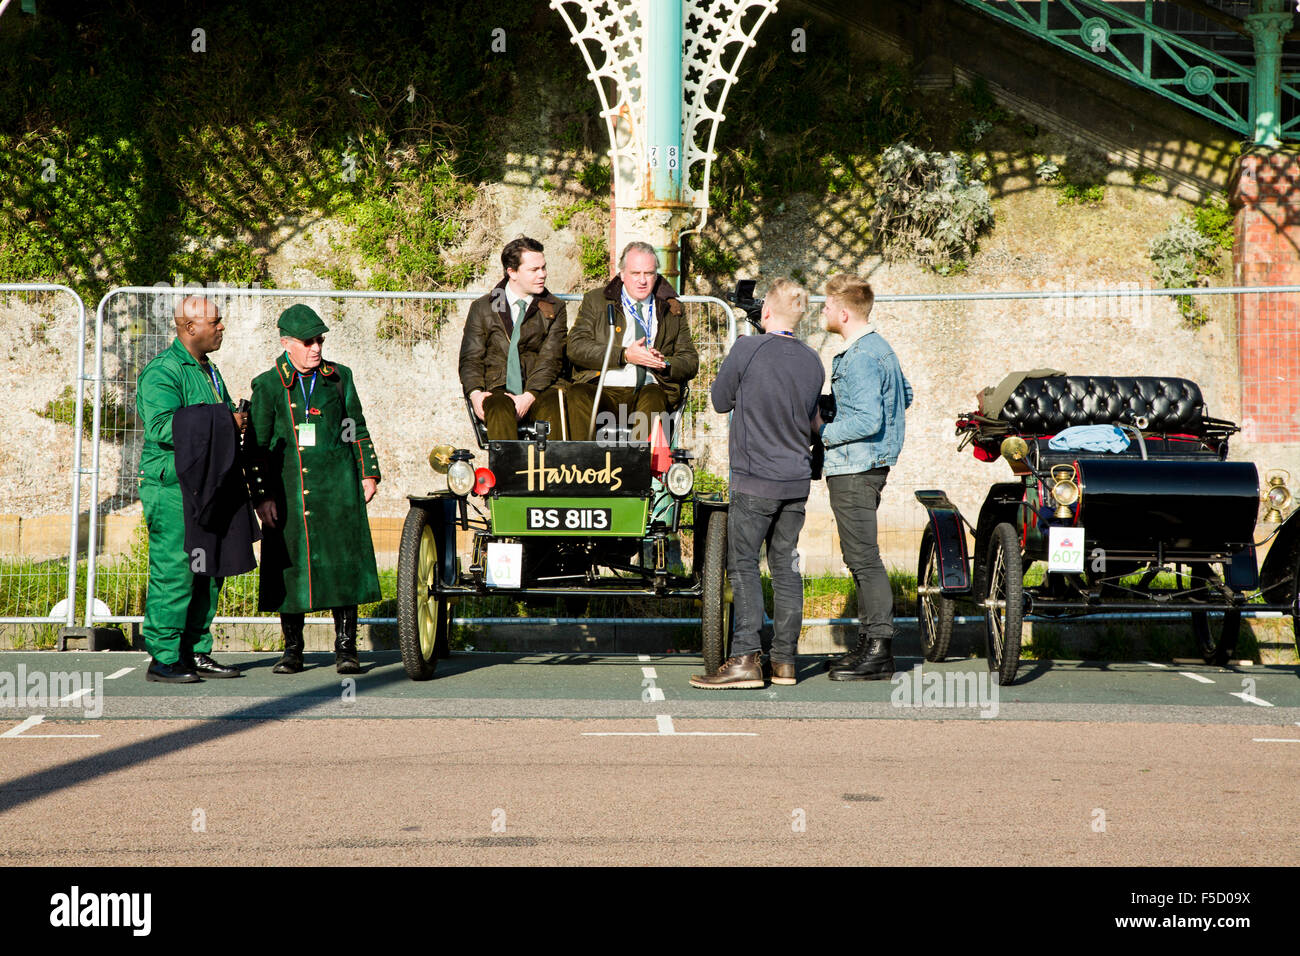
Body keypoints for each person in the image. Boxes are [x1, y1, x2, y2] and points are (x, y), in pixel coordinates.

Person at [691, 279, 824, 689]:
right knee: (786, 566)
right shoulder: (813, 360)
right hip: (796, 479)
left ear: (765, 311)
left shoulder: (748, 349)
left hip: (754, 480)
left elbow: (719, 400)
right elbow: (815, 420)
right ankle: (784, 661)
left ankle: (746, 656)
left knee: (744, 565)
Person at [245, 304, 382, 674]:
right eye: (308, 342)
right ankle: (292, 650)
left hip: (338, 488)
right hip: (288, 493)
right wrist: (263, 498)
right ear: (286, 342)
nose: (316, 348)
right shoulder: (269, 384)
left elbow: (355, 425)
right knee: (288, 568)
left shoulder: (339, 378)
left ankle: (346, 649)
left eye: (320, 340)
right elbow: (255, 448)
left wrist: (367, 473)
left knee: (344, 567)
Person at [136, 295, 246, 683]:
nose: (221, 328)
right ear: (190, 328)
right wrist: (224, 421)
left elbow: (221, 417)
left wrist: (236, 421)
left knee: (208, 569)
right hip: (173, 487)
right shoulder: (162, 372)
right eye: (215, 322)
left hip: (207, 486)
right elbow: (162, 427)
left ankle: (196, 651)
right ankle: (164, 657)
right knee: (175, 570)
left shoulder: (209, 370)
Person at [814, 274, 913, 681]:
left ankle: (878, 651)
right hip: (866, 465)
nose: (821, 312)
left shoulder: (858, 356)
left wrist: (823, 431)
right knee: (860, 558)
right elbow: (905, 394)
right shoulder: (879, 349)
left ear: (842, 312)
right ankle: (869, 644)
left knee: (863, 559)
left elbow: (869, 418)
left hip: (855, 468)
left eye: (824, 307)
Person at [566, 241, 698, 442]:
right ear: (622, 274)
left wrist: (664, 363)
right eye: (636, 273)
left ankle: (639, 468)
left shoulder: (671, 308)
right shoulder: (597, 301)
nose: (642, 280)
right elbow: (575, 347)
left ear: (656, 275)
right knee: (578, 394)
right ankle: (586, 467)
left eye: (649, 273)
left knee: (654, 398)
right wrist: (624, 355)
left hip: (648, 388)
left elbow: (690, 360)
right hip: (604, 386)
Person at [459, 237, 569, 440]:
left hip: (542, 388)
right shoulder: (483, 308)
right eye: (534, 270)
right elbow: (470, 358)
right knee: (497, 406)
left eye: (543, 268)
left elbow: (551, 358)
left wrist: (529, 396)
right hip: (498, 386)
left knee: (556, 404)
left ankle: (554, 469)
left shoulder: (555, 308)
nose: (542, 275)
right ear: (512, 272)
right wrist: (475, 393)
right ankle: (506, 470)